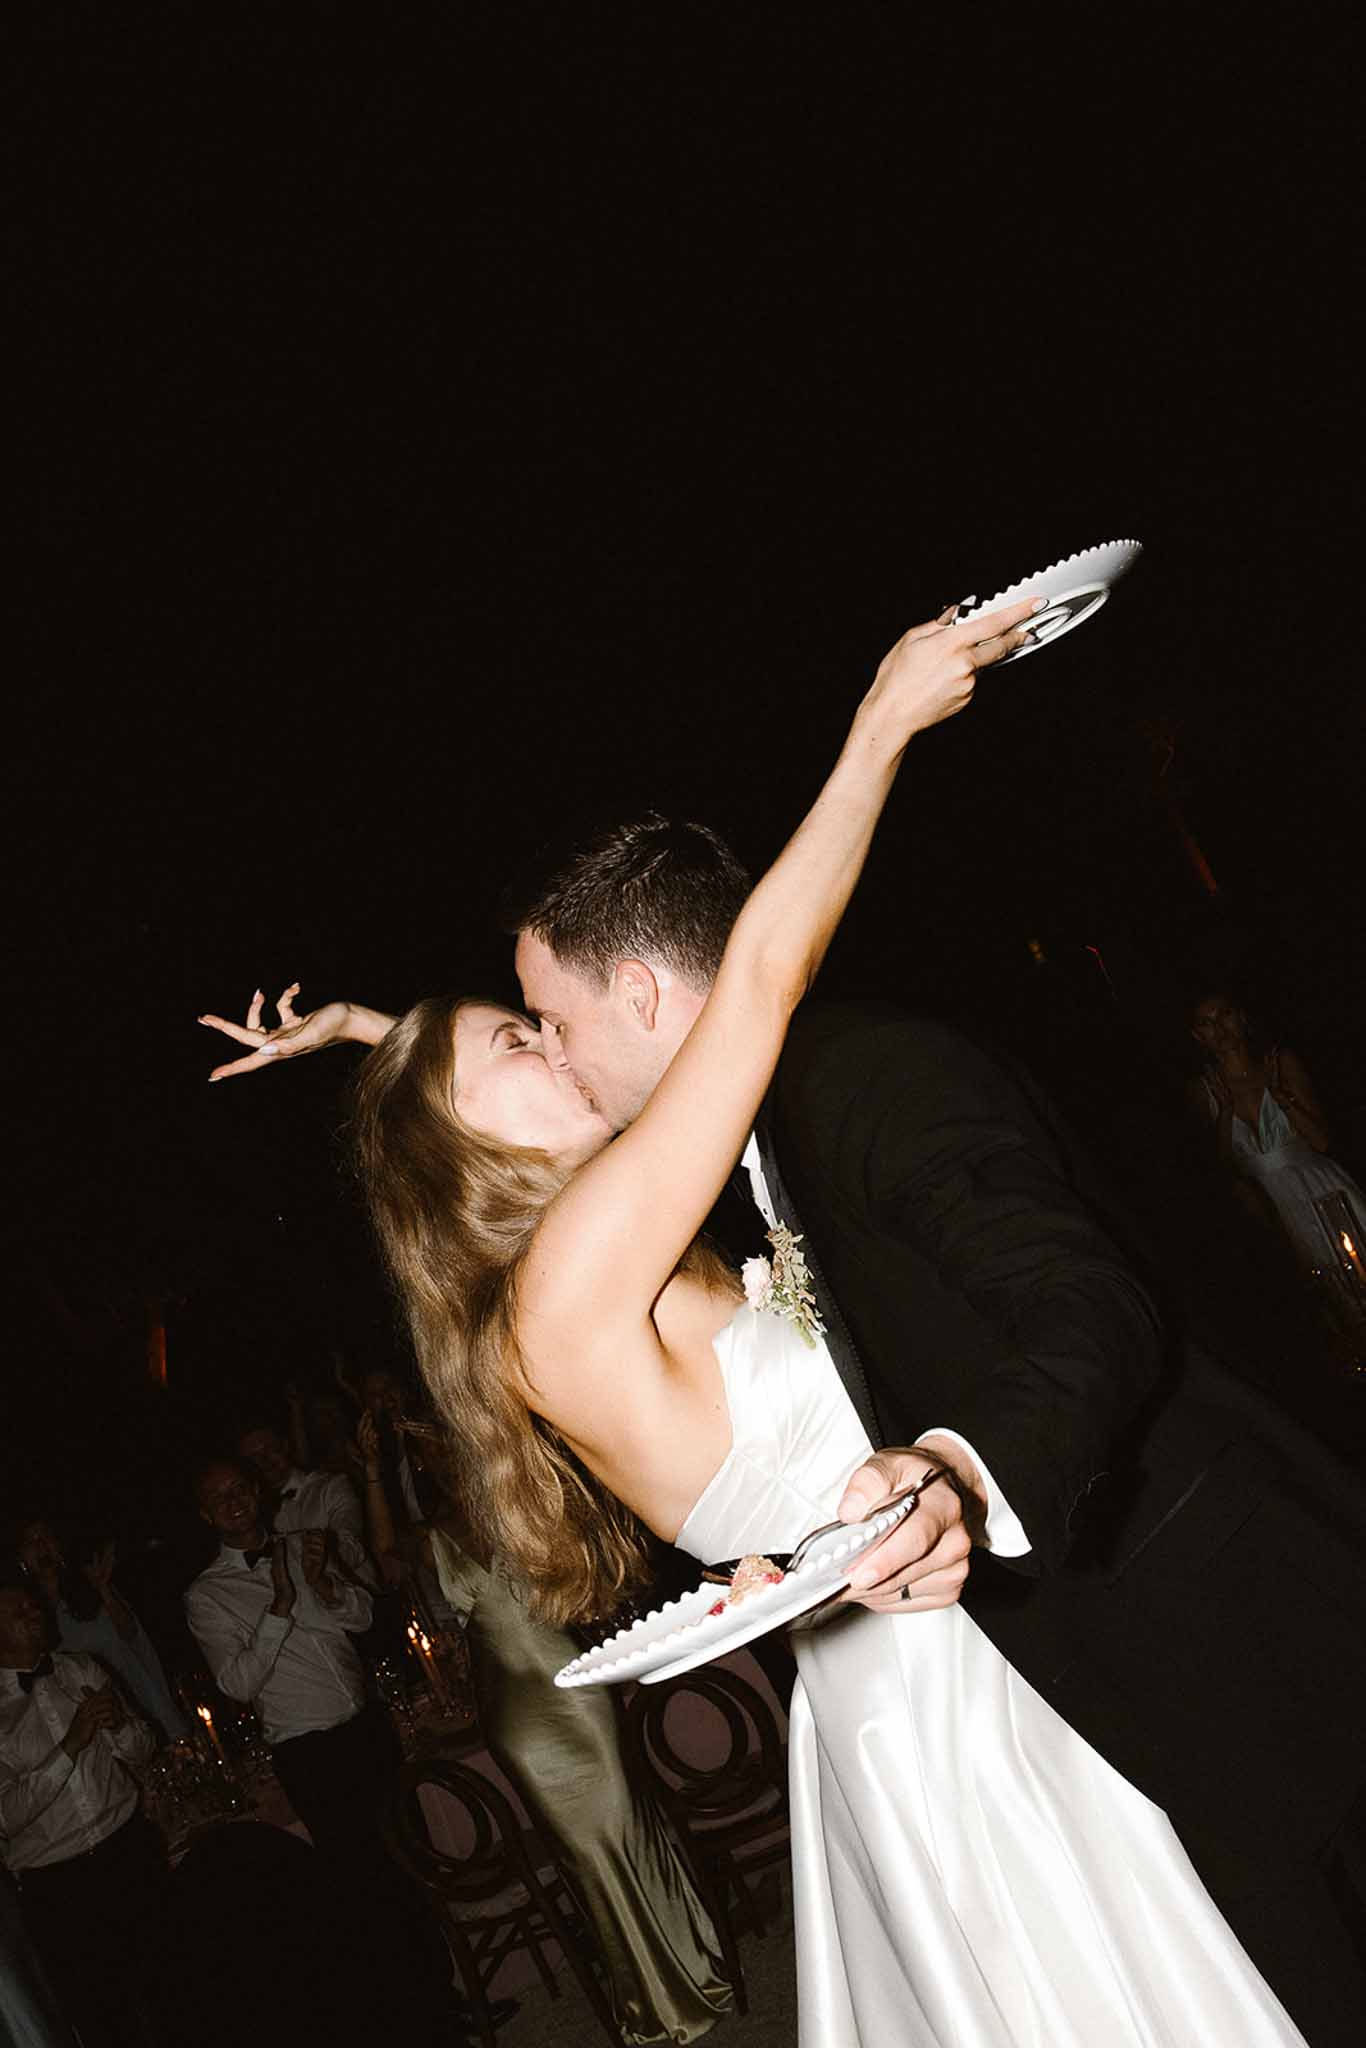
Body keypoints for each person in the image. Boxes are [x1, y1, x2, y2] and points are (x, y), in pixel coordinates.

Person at [198, 594, 1323, 2043]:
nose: (550, 1041)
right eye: (517, 1041)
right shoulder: (566, 1282)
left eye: (532, 1020)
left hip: (946, 1636)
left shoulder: (606, 1250)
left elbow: (551, 1120)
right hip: (934, 1683)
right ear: (469, 1147)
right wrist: (878, 727)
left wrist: (366, 1035)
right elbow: (755, 986)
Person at [358, 1410, 733, 2043]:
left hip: (579, 1691)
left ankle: (696, 1965)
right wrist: (370, 1469)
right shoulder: (433, 1536)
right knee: (585, 1857)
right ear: (423, 1466)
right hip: (519, 1720)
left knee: (630, 1826)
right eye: (435, 1455)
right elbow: (384, 1557)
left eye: (457, 1448)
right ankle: (651, 2000)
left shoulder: (519, 1508)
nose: (451, 1462)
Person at [183, 1459, 459, 2038]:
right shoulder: (207, 1596)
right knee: (363, 1888)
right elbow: (236, 1684)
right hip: (311, 1753)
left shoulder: (305, 1544)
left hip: (366, 1726)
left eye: (239, 1489)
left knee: (414, 1858)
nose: (233, 1501)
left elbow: (360, 1616)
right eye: (219, 1498)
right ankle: (412, 2022)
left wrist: (327, 1584)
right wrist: (281, 1604)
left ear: (256, 1494)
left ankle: (448, 1997)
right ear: (206, 1515)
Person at [0, 1578, 167, 2047]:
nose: (35, 1614)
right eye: (19, 1609)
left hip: (129, 1849)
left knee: (173, 1989)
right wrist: (69, 1746)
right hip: (60, 1887)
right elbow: (6, 1815)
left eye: (35, 1606)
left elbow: (143, 1749)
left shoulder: (81, 1668)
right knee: (108, 2022)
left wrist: (119, 1728)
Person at [1188, 989, 1366, 1271]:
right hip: (1273, 1209)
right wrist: (1224, 1115)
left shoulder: (1280, 1063)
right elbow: (1220, 1170)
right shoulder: (1204, 1090)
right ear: (1198, 1036)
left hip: (1320, 1186)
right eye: (1206, 1023)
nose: (1219, 1028)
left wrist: (1283, 1100)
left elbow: (1322, 1141)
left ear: (1241, 1018)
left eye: (1225, 1015)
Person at [18, 1516, 189, 1743]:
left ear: (58, 1545)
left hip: (149, 1711)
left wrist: (104, 1589)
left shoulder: (91, 1589)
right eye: (31, 1541)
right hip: (100, 1739)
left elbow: (130, 1634)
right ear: (22, 1558)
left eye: (45, 1537)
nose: (40, 1546)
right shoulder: (27, 1619)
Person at [235, 1414, 366, 1545]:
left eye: (270, 1449)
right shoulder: (251, 1513)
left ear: (285, 1446)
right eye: (254, 1457)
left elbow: (350, 1542)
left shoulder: (331, 1486)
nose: (264, 1460)